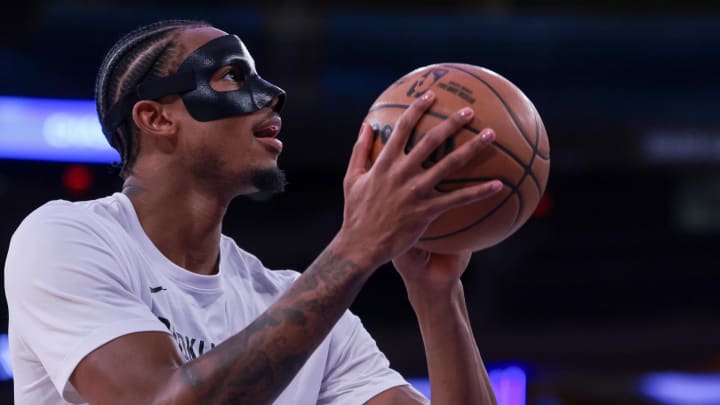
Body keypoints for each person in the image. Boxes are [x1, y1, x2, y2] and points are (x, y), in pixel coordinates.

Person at [4, 19, 502, 404]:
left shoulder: (299, 304)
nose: (272, 94)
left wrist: (438, 295)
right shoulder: (65, 238)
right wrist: (357, 244)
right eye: (232, 75)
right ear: (155, 117)